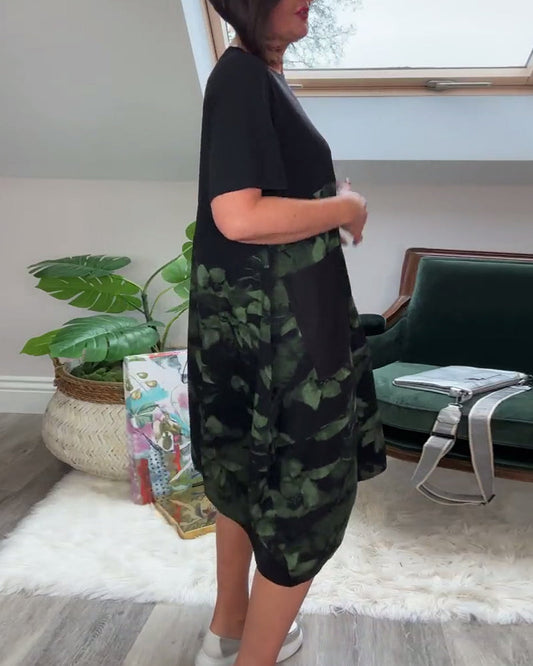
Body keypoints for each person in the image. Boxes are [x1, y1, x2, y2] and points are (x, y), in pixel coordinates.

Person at [187, 2, 387, 664]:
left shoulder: (245, 73)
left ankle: (229, 628)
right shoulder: (243, 79)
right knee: (306, 500)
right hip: (288, 331)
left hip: (256, 322)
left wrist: (325, 204)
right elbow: (239, 216)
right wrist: (346, 207)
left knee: (246, 470)